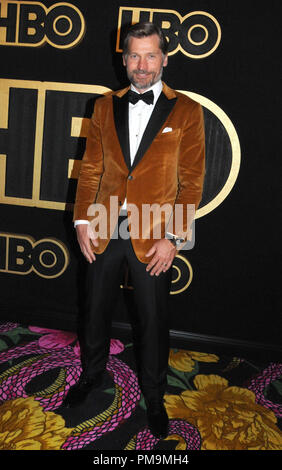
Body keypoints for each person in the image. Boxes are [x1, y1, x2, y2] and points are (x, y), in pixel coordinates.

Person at [64, 22, 205, 439]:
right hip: (106, 223)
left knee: (153, 319)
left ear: (164, 58)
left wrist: (175, 238)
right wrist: (83, 220)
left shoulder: (187, 110)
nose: (142, 66)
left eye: (150, 55)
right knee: (94, 309)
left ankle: (156, 397)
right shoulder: (104, 106)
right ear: (122, 58)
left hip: (154, 231)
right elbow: (91, 169)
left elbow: (191, 181)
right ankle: (91, 376)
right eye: (134, 56)